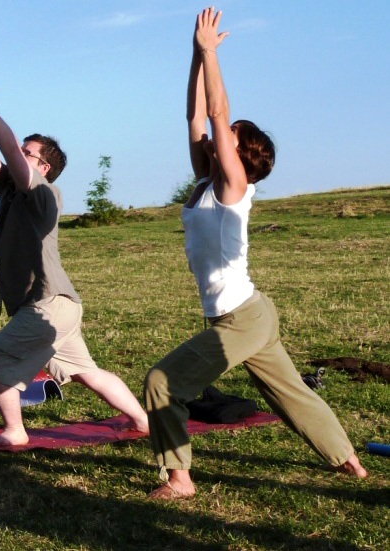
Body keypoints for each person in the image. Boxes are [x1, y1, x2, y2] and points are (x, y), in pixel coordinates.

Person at [142, 7, 366, 499]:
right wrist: (196, 57)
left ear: (240, 152)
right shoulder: (206, 183)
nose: (222, 136)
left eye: (232, 136)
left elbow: (219, 113)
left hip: (240, 317)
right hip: (249, 312)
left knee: (162, 381)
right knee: (289, 394)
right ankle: (349, 460)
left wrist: (211, 54)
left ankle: (180, 480)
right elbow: (198, 115)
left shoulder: (234, 186)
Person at [0, 71, 149, 447]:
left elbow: (7, 150)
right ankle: (142, 420)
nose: (17, 156)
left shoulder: (44, 195)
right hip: (58, 305)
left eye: (28, 153)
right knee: (85, 371)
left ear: (43, 167)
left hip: (49, 305)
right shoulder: (11, 193)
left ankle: (15, 432)